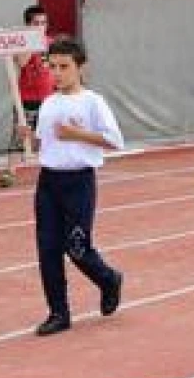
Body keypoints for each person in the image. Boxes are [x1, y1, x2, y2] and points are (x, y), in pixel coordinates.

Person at [25, 39, 125, 336]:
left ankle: (108, 279)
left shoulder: (93, 101)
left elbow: (114, 141)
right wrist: (28, 136)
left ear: (80, 68)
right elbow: (43, 142)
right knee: (48, 248)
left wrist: (76, 134)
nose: (57, 73)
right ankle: (58, 311)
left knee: (78, 247)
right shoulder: (48, 103)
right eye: (52, 67)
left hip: (79, 180)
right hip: (48, 182)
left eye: (64, 67)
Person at [4, 5, 55, 186]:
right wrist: (32, 41)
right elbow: (23, 63)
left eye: (43, 22)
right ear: (28, 25)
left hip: (49, 97)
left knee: (47, 134)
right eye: (36, 23)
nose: (41, 26)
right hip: (27, 97)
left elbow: (56, 67)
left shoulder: (51, 42)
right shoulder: (22, 44)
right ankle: (10, 172)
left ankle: (49, 170)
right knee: (19, 134)